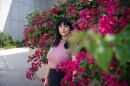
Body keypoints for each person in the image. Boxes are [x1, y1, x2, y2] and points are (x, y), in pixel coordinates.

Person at [44, 17, 77, 86]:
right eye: (60, 26)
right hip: (52, 76)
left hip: (64, 78)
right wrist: (46, 78)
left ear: (70, 29)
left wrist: (74, 82)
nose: (63, 28)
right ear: (58, 29)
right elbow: (50, 62)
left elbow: (75, 66)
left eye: (66, 26)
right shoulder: (54, 43)